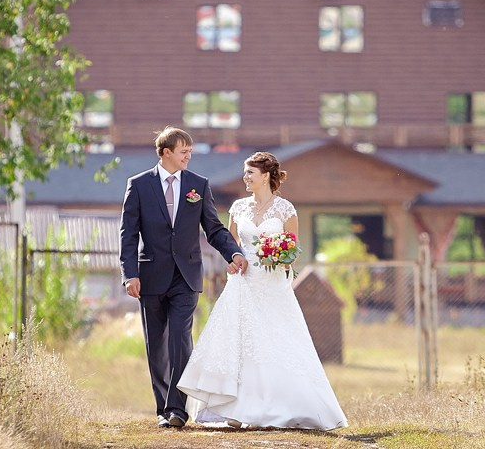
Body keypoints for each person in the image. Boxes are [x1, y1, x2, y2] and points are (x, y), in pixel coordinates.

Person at [177, 151, 347, 431]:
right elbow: (229, 245)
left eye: (250, 173)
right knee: (240, 342)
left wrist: (279, 256)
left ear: (266, 176)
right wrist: (231, 263)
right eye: (245, 173)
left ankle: (270, 409)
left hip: (272, 284)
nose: (245, 177)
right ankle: (234, 409)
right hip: (243, 283)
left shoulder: (285, 210)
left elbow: (292, 249)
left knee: (272, 343)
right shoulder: (238, 208)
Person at [119, 127, 247, 429]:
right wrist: (129, 275)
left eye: (190, 151)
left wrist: (233, 253)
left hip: (186, 276)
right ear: (166, 153)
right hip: (150, 276)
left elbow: (213, 228)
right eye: (184, 151)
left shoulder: (198, 185)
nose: (189, 156)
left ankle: (177, 409)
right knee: (157, 345)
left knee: (180, 338)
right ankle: (162, 408)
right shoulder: (138, 185)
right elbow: (128, 235)